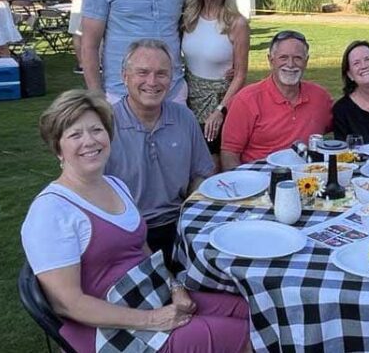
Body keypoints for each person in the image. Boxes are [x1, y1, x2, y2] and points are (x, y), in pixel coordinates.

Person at [21, 89, 252, 353]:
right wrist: (152, 320)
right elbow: (68, 304)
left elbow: (142, 250)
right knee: (247, 337)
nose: (90, 141)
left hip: (148, 295)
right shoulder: (51, 211)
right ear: (58, 148)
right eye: (75, 134)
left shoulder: (115, 185)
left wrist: (174, 286)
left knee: (250, 310)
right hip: (106, 330)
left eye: (96, 130)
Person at [105, 39, 214, 269]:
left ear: (172, 79)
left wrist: (190, 216)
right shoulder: (105, 126)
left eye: (161, 74)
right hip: (126, 232)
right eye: (142, 73)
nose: (152, 82)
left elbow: (201, 173)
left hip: (179, 223)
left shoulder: (184, 118)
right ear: (125, 76)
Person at [221, 30, 332, 169]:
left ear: (306, 61)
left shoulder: (321, 98)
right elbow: (229, 153)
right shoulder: (246, 100)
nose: (290, 64)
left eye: (297, 58)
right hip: (260, 178)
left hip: (307, 178)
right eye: (283, 57)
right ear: (271, 60)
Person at [182, 0, 250, 172]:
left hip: (220, 106)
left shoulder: (236, 23)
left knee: (213, 170)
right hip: (188, 103)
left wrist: (220, 110)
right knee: (189, 167)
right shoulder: (187, 17)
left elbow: (240, 74)